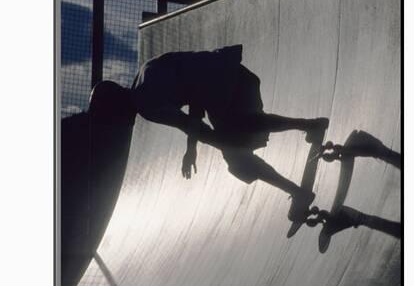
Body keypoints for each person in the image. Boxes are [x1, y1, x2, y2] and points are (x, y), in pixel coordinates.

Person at [91, 45, 329, 219]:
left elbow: (196, 126)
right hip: (238, 74)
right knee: (245, 125)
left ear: (117, 108)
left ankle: (297, 192)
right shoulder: (145, 72)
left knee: (238, 158)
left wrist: (205, 149)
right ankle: (311, 125)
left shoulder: (148, 105)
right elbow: (195, 90)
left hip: (227, 86)